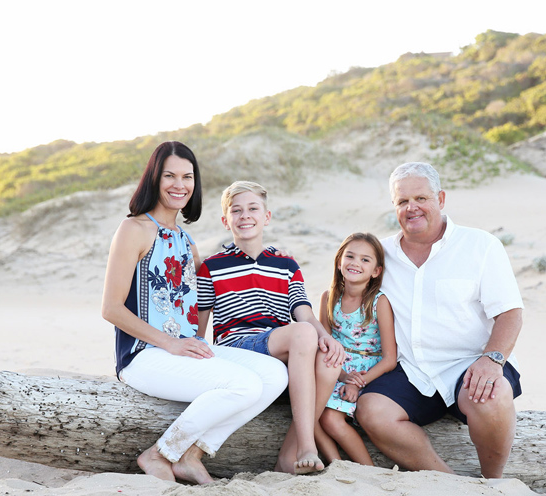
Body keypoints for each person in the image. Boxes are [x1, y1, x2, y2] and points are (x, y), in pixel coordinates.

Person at [102, 142, 288, 485]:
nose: (179, 185)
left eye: (187, 177)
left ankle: (191, 454)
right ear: (154, 179)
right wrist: (170, 343)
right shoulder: (134, 230)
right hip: (143, 356)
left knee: (275, 375)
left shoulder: (187, 242)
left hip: (183, 352)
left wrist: (267, 259)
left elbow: (209, 289)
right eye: (169, 176)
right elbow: (111, 308)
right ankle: (160, 453)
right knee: (244, 384)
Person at [356, 162, 524, 479]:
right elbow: (347, 300)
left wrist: (492, 360)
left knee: (491, 395)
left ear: (441, 199)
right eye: (403, 201)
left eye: (421, 198)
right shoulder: (380, 255)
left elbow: (510, 313)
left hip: (471, 360)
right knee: (372, 411)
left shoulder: (481, 246)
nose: (412, 208)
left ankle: (493, 482)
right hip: (412, 369)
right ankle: (449, 482)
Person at [196, 181, 345, 475]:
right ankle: (307, 446)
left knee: (329, 362)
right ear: (226, 221)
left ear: (267, 217)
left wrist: (327, 338)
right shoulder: (211, 266)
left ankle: (287, 457)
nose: (245, 216)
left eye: (253, 208)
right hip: (236, 348)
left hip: (280, 347)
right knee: (304, 334)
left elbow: (304, 313)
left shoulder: (286, 264)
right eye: (236, 211)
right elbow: (199, 327)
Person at [317, 232, 397, 466]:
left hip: (367, 372)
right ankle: (336, 464)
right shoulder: (329, 297)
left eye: (365, 259)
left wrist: (355, 382)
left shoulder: (378, 302)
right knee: (310, 413)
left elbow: (390, 358)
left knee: (330, 419)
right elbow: (324, 345)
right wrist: (342, 375)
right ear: (339, 261)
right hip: (335, 367)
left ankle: (368, 469)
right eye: (350, 256)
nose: (355, 263)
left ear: (376, 271)